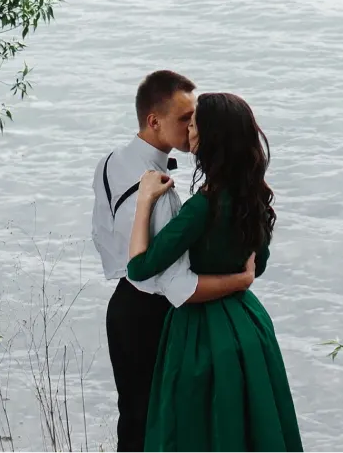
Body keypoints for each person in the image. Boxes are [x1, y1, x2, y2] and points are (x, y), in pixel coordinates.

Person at [126, 91, 303, 453]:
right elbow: (260, 264)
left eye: (194, 124)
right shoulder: (253, 199)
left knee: (196, 431)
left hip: (200, 334)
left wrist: (144, 202)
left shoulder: (200, 208)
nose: (188, 129)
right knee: (252, 430)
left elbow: (140, 268)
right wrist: (238, 279)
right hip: (249, 326)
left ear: (211, 137)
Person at [91, 71, 257, 453]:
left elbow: (103, 239)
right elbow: (181, 288)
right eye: (185, 118)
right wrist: (239, 280)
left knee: (133, 421)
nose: (193, 126)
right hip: (155, 316)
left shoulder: (109, 163)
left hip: (122, 307)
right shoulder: (160, 194)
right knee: (160, 428)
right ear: (154, 120)